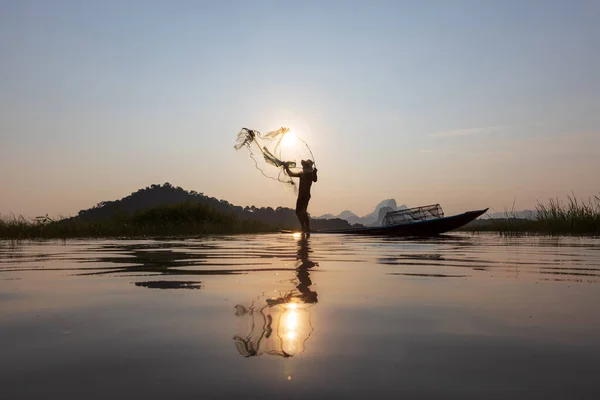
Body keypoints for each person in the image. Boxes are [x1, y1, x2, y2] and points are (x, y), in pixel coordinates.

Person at [283, 159, 318, 232]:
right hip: (300, 195)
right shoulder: (302, 173)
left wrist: (315, 172)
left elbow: (315, 180)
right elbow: (291, 174)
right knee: (298, 211)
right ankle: (303, 227)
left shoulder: (310, 173)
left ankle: (307, 227)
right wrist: (286, 168)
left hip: (306, 195)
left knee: (303, 211)